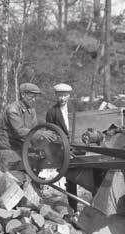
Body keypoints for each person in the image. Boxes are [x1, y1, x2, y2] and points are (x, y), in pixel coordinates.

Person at [45, 83, 79, 215]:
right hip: (63, 149)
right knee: (71, 178)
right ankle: (73, 209)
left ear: (69, 96)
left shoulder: (74, 110)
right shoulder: (52, 112)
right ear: (56, 96)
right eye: (60, 96)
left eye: (65, 95)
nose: (62, 98)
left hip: (79, 145)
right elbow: (50, 134)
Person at [0, 82, 41, 172]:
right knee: (9, 182)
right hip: (10, 152)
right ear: (23, 95)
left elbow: (35, 129)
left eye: (36, 97)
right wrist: (40, 134)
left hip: (24, 152)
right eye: (32, 96)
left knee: (28, 182)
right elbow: (20, 131)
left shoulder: (31, 110)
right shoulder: (12, 110)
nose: (34, 100)